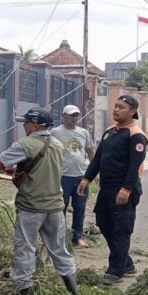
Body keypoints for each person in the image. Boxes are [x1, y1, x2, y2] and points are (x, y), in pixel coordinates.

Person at [0, 108, 77, 295]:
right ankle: (73, 294)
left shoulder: (25, 144)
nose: (23, 125)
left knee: (25, 249)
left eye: (26, 122)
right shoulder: (57, 144)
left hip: (32, 207)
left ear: (36, 125)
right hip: (56, 206)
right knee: (59, 250)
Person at [77, 95, 147, 285]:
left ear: (132, 111)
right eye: (115, 106)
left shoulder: (135, 135)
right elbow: (98, 158)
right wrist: (86, 178)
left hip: (124, 190)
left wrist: (126, 189)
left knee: (121, 230)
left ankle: (115, 271)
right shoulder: (110, 132)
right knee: (103, 222)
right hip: (106, 189)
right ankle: (127, 263)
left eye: (121, 107)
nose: (116, 110)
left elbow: (135, 165)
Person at [51, 104, 96, 248]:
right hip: (62, 176)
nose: (74, 118)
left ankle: (77, 237)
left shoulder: (83, 133)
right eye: (70, 115)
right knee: (60, 207)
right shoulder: (55, 132)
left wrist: (94, 171)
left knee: (80, 207)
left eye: (76, 115)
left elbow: (90, 152)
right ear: (63, 116)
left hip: (81, 177)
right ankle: (60, 236)